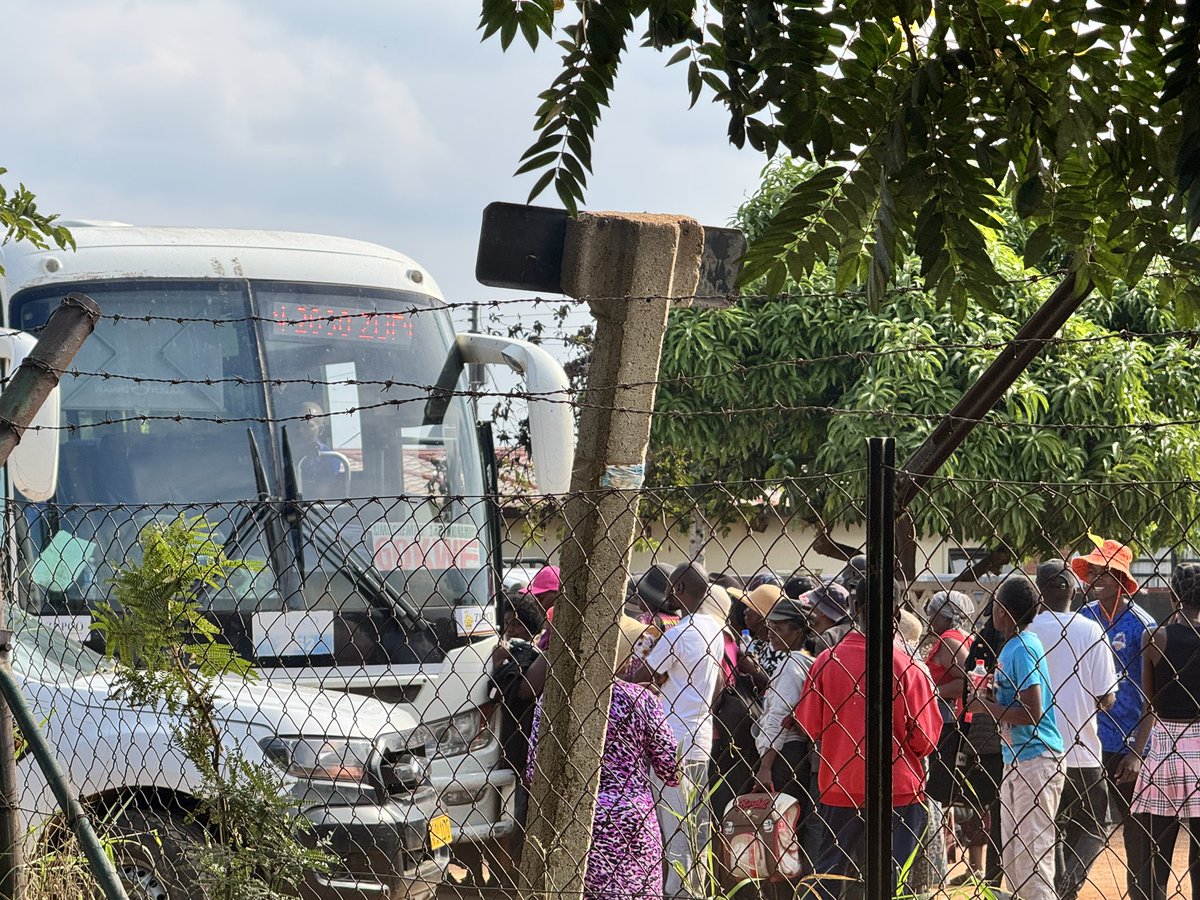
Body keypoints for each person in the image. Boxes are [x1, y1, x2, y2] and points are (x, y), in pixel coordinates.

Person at [793, 580, 943, 899]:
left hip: (840, 781)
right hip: (898, 787)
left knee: (830, 870)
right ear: (896, 614)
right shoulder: (909, 667)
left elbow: (809, 725)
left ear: (853, 609)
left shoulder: (827, 661)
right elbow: (925, 740)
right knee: (892, 875)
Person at [526, 616, 680, 900]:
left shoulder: (552, 701)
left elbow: (535, 772)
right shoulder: (642, 701)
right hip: (632, 822)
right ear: (618, 654)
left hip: (575, 821)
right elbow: (672, 771)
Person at [967, 576, 1065, 900]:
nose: (992, 611)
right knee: (1013, 858)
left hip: (1036, 759)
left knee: (1032, 860)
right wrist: (994, 693)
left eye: (995, 604)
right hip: (1018, 758)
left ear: (1005, 613)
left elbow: (1033, 711)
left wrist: (987, 707)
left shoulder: (1022, 647)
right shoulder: (1014, 645)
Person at [1026, 560, 1118, 900]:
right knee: (1096, 824)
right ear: (1075, 589)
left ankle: (1057, 890)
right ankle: (1066, 889)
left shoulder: (1028, 629)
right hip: (1082, 749)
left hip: (1037, 748)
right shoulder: (1091, 630)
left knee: (1052, 827)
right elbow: (1106, 695)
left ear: (1039, 591)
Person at [643, 562, 728, 899]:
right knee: (695, 821)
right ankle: (696, 888)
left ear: (677, 589)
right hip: (699, 736)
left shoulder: (679, 632)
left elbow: (645, 676)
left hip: (670, 739)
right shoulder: (714, 629)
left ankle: (678, 893)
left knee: (673, 824)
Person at [1074, 538, 1154, 891]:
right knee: (1078, 826)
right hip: (1085, 741)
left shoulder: (1143, 625)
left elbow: (1153, 696)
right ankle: (1066, 890)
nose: (1096, 577)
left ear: (1122, 577)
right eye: (1093, 571)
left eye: (1106, 571)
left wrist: (1138, 751)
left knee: (1137, 833)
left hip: (1129, 746)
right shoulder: (1081, 619)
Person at [1127, 562, 1200, 900]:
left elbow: (1148, 705)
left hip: (1165, 745)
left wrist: (1135, 754)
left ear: (1172, 597)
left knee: (1157, 851)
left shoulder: (1154, 637)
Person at [751, 596, 819, 881]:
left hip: (782, 754)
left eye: (779, 627)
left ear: (797, 631)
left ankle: (782, 884)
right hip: (796, 753)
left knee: (779, 825)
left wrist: (766, 765)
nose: (771, 634)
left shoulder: (792, 663)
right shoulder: (807, 661)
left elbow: (780, 713)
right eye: (770, 627)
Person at [802, 582, 854, 654]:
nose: (807, 606)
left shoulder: (827, 640)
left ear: (822, 611)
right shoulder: (844, 634)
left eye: (811, 603)